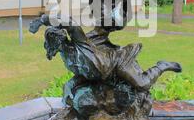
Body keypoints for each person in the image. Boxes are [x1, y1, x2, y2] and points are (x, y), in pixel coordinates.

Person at [29, 14, 182, 91]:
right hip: (104, 75)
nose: (61, 37)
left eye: (60, 35)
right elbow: (83, 74)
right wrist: (71, 85)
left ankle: (162, 66)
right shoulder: (67, 58)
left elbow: (70, 23)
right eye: (56, 38)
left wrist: (42, 20)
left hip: (117, 62)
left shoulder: (80, 44)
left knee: (142, 84)